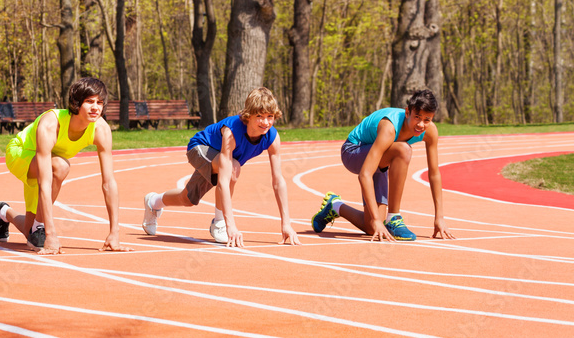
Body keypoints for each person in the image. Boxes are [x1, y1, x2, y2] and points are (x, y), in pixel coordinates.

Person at [141, 87, 300, 247]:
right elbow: (223, 181)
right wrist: (230, 225)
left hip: (223, 160)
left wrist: (286, 223)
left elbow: (278, 180)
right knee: (233, 168)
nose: (265, 122)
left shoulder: (272, 137)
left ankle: (153, 202)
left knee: (187, 199)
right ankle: (219, 224)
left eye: (269, 116)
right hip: (199, 148)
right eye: (259, 116)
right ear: (248, 115)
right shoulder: (231, 132)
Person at [0, 77, 130, 255]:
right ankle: (40, 227)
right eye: (89, 102)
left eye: (100, 102)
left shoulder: (101, 129)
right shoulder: (51, 124)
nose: (96, 107)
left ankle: (3, 212)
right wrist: (50, 234)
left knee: (29, 232)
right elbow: (45, 182)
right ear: (76, 103)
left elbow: (109, 183)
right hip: (21, 153)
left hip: (49, 161)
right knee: (61, 166)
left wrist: (114, 233)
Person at [311, 88, 455, 242]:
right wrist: (378, 220)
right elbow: (365, 174)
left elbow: (434, 174)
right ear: (407, 112)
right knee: (403, 149)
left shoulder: (430, 131)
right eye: (417, 117)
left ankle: (335, 206)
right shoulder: (389, 127)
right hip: (353, 151)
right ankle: (394, 217)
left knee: (371, 228)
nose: (421, 124)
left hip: (380, 158)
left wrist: (439, 217)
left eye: (427, 119)